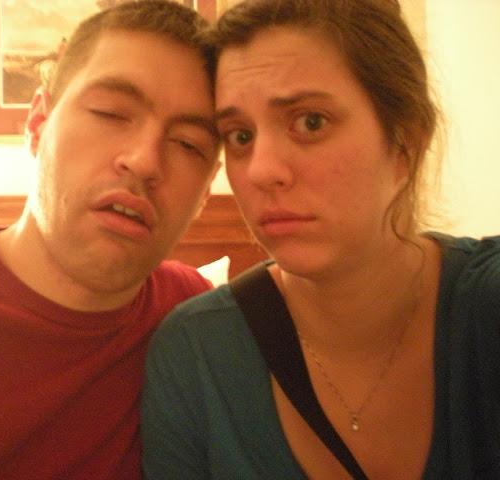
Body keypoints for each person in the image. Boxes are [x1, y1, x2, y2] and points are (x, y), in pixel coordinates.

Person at [0, 1, 221, 478]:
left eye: (189, 144)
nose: (145, 161)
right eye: (111, 113)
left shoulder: (193, 321)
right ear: (38, 125)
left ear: (205, 191)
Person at [141, 0, 500, 478]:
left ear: (404, 144)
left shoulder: (484, 309)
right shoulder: (197, 354)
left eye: (310, 122)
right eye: (240, 136)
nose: (261, 170)